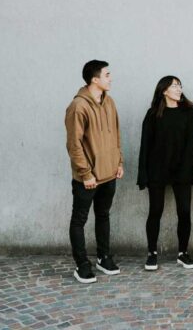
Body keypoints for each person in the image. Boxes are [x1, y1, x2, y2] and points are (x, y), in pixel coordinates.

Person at [65, 60, 124, 284]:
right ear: (94, 79)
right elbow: (74, 144)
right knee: (79, 220)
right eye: (107, 75)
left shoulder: (109, 102)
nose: (111, 78)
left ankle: (103, 257)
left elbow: (116, 134)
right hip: (87, 178)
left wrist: (119, 162)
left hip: (109, 173)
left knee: (103, 215)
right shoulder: (78, 106)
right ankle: (82, 265)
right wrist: (86, 173)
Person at [137, 76, 193, 271]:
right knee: (155, 211)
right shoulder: (153, 114)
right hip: (157, 170)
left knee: (184, 212)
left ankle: (182, 252)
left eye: (180, 85)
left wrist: (186, 167)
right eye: (174, 86)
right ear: (164, 90)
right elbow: (145, 145)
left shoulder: (188, 112)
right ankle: (152, 253)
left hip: (181, 171)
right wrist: (143, 174)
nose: (179, 89)